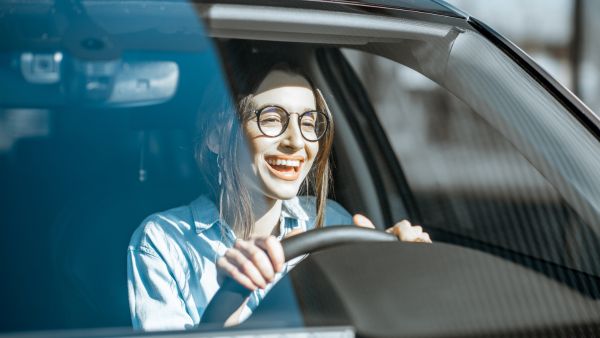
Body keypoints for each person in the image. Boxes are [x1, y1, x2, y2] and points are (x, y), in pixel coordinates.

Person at [127, 43, 431, 331]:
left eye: (309, 123)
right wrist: (227, 314)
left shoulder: (333, 223)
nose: (296, 141)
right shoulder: (163, 242)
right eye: (272, 119)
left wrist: (409, 276)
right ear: (217, 137)